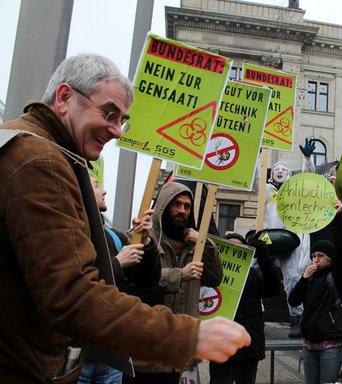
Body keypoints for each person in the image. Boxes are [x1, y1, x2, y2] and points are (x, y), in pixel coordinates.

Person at [0, 53, 250, 384]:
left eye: (122, 120)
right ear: (64, 97)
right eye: (109, 113)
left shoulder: (28, 146)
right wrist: (189, 337)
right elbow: (72, 294)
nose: (117, 130)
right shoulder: (40, 159)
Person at [124, 181, 224, 383]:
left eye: (187, 206)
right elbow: (131, 285)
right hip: (145, 355)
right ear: (163, 206)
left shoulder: (195, 246)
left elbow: (215, 278)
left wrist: (205, 243)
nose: (182, 211)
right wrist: (179, 275)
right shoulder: (140, 239)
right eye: (176, 204)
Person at [78, 177, 159, 384]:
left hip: (112, 352)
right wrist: (117, 262)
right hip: (79, 352)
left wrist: (146, 242)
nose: (104, 191)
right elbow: (72, 281)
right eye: (97, 186)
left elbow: (148, 280)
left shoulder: (113, 235)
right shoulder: (71, 231)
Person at [208, 232, 283, 384]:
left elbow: (274, 288)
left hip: (247, 348)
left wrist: (264, 256)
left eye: (240, 247)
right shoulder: (213, 275)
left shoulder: (253, 274)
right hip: (221, 347)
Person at [288, 209, 342, 384]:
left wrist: (337, 217)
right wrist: (303, 279)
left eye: (321, 256)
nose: (316, 259)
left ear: (330, 258)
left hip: (330, 344)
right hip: (309, 343)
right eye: (313, 256)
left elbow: (341, 247)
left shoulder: (337, 277)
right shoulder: (309, 278)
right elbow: (293, 300)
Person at [262, 139, 316, 337]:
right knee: (254, 272)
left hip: (291, 239)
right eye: (277, 168)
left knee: (293, 278)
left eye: (284, 169)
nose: (280, 171)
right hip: (268, 237)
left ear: (289, 174)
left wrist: (307, 158)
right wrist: (259, 154)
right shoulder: (266, 191)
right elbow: (255, 178)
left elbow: (310, 178)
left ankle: (296, 318)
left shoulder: (295, 190)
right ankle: (255, 313)